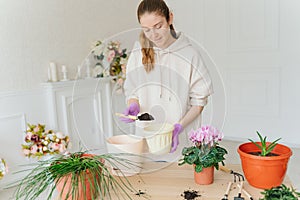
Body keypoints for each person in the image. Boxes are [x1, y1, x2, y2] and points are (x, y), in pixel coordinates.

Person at [121, 0, 213, 154]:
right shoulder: (138, 53)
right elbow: (133, 91)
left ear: (170, 18)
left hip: (179, 139)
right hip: (146, 138)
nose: (154, 35)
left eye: (158, 26)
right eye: (147, 30)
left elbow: (198, 102)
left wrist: (178, 128)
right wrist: (133, 105)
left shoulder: (189, 55)